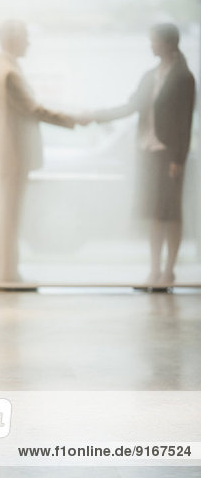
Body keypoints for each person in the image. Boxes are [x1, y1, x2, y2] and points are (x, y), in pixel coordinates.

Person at [81, 23, 195, 287]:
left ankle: (169, 270)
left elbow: (184, 123)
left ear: (168, 43)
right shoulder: (149, 76)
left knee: (171, 213)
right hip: (148, 152)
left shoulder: (183, 78)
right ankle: (154, 270)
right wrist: (97, 116)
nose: (151, 45)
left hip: (169, 155)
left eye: (154, 41)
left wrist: (178, 159)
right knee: (154, 213)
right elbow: (131, 106)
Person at [0, 20, 84, 283]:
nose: (28, 42)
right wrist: (72, 119)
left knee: (9, 216)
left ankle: (7, 271)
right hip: (13, 156)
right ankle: (8, 273)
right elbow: (34, 110)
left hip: (9, 154)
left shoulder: (3, 67)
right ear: (13, 39)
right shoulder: (9, 73)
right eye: (25, 37)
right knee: (10, 217)